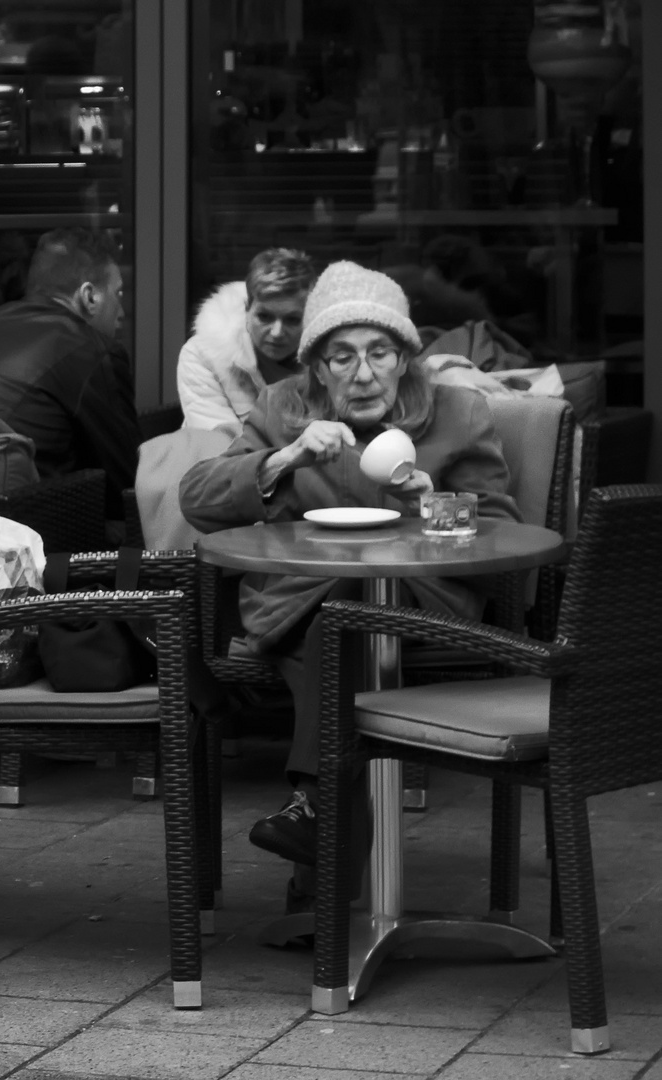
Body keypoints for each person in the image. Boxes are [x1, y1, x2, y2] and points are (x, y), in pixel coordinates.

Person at [178, 261, 520, 887]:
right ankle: (325, 829)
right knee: (342, 612)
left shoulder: (458, 412)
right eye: (341, 358)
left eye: (379, 353)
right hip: (296, 604)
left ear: (406, 355)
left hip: (422, 605)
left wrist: (431, 500)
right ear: (315, 365)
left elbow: (501, 530)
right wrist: (284, 456)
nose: (362, 375)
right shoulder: (285, 408)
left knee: (348, 607)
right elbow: (197, 498)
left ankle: (318, 821)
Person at [0, 227, 141, 509]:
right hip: (12, 525)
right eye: (118, 293)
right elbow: (127, 484)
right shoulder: (90, 350)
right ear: (89, 296)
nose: (122, 313)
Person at [176, 248, 318, 436]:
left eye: (292, 320)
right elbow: (219, 448)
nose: (276, 333)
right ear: (247, 308)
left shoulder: (328, 358)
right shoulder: (202, 354)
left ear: (309, 317)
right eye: (265, 317)